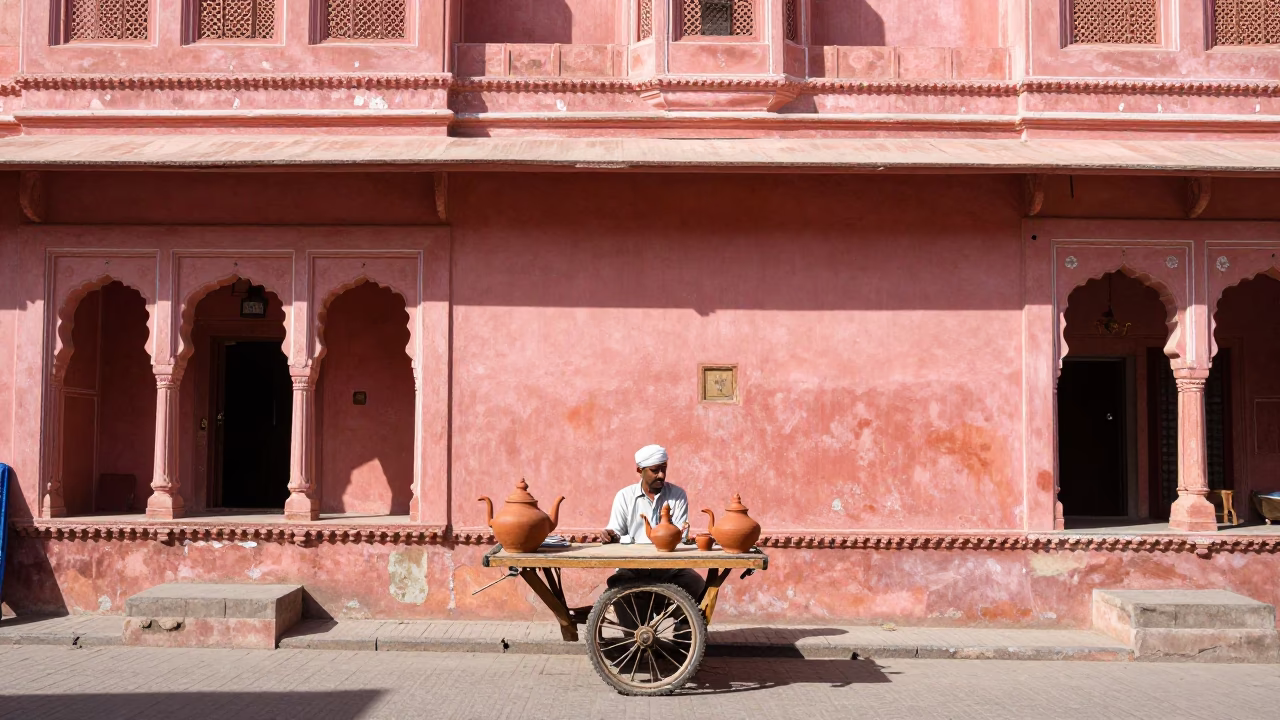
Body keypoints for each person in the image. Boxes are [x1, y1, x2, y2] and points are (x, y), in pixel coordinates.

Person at [600, 444, 705, 602]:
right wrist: (609, 535)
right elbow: (616, 532)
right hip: (632, 567)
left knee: (696, 583)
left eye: (664, 469)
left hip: (669, 568)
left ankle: (683, 625)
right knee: (619, 586)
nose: (661, 475)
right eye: (655, 470)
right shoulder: (624, 496)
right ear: (639, 471)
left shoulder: (677, 495)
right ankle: (632, 625)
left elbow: (681, 535)